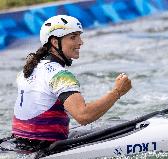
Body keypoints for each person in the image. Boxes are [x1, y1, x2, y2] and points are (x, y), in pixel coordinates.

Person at [11, 15, 132, 148]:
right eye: (73, 37)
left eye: (79, 36)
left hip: (20, 142)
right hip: (45, 148)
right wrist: (117, 92)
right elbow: (83, 116)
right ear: (55, 42)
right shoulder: (59, 75)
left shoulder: (28, 69)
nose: (80, 42)